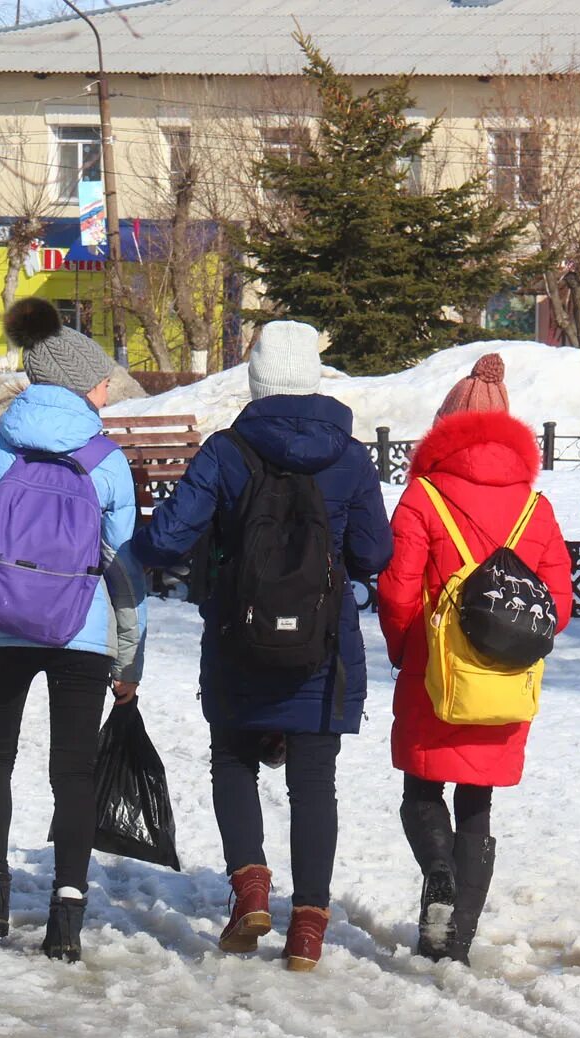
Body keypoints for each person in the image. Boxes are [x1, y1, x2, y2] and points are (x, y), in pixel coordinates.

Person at [131, 320, 392, 973]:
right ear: (314, 378)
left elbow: (166, 538)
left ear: (258, 382)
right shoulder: (351, 456)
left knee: (234, 761)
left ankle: (250, 887)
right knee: (313, 783)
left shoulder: (226, 451)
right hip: (322, 646)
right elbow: (375, 554)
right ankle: (307, 929)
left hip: (236, 639)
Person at [0, 296, 147, 965]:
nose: (109, 389)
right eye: (103, 380)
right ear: (81, 385)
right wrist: (129, 659)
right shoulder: (106, 459)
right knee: (73, 770)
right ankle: (67, 917)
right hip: (80, 629)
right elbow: (124, 568)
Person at [376, 378, 573, 966]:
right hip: (505, 679)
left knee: (421, 788)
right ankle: (455, 942)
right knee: (477, 801)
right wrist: (508, 641)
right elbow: (557, 601)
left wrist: (407, 651)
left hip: (433, 671)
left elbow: (397, 592)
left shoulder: (422, 498)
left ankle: (437, 875)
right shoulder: (536, 508)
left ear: (445, 429)